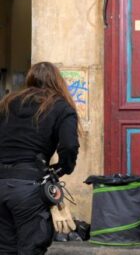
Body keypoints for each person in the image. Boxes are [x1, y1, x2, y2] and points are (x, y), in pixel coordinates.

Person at [0, 62, 80, 254]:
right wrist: (62, 169)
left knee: (4, 248)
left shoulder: (7, 102)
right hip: (29, 186)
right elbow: (69, 145)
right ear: (57, 81)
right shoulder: (61, 107)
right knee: (31, 247)